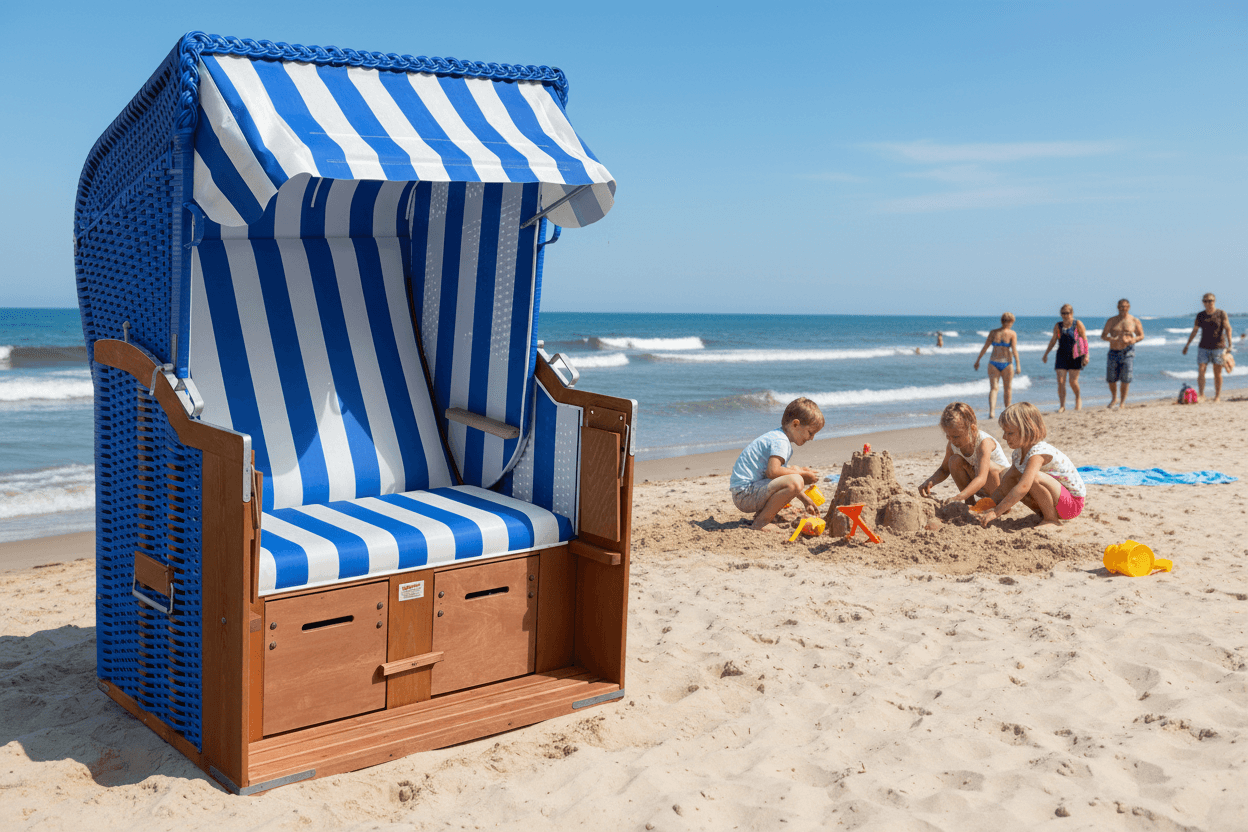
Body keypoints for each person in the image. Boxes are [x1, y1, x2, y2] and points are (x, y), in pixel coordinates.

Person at [979, 402, 1086, 529]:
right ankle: (1047, 515)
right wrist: (988, 506)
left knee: (1031, 479)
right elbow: (1006, 483)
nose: (1004, 437)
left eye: (1010, 433)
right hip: (1056, 501)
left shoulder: (1038, 453)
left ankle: (1051, 520)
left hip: (1071, 505)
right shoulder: (1018, 453)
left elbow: (1024, 487)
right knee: (1010, 477)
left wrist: (996, 513)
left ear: (1028, 431)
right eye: (1004, 432)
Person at [729, 397, 824, 531]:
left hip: (745, 492)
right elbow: (773, 472)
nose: (812, 438)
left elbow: (779, 477)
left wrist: (805, 500)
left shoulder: (778, 436)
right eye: (810, 432)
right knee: (796, 478)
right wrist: (801, 474)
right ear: (795, 424)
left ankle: (761, 515)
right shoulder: (781, 441)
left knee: (793, 472)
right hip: (745, 495)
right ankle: (761, 522)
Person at [918, 402, 1009, 505]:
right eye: (948, 436)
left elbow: (981, 478)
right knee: (954, 460)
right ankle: (969, 501)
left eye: (956, 437)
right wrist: (930, 482)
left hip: (1003, 487)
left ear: (972, 429)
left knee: (989, 468)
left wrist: (959, 497)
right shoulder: (952, 445)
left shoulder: (984, 443)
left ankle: (1000, 503)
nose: (952, 440)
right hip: (980, 487)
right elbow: (944, 469)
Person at [1182, 293, 1233, 402]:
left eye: (1210, 301)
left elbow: (1228, 328)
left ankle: (1217, 396)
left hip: (1219, 347)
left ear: (1214, 301)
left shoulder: (1221, 313)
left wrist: (1230, 344)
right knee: (1201, 370)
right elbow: (1195, 330)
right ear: (1203, 302)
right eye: (1205, 301)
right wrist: (1187, 345)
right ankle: (1201, 395)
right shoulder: (1200, 315)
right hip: (1203, 347)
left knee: (1217, 372)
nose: (1208, 303)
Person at [1041, 304, 1088, 412]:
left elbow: (1084, 339)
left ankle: (1078, 398)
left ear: (1072, 313)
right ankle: (1062, 406)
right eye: (1063, 313)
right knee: (1061, 381)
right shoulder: (1058, 326)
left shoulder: (1077, 324)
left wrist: (1086, 355)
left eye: (1067, 313)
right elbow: (1053, 340)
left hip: (1075, 355)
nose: (1065, 315)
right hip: (1061, 355)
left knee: (1072, 381)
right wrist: (1046, 354)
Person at [973, 313, 1020, 418]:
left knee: (995, 388)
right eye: (1011, 322)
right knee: (1007, 388)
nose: (1012, 324)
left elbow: (985, 347)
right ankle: (1004, 412)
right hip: (1005, 363)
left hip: (995, 362)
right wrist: (1018, 364)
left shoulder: (994, 332)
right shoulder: (1011, 333)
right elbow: (1014, 350)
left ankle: (993, 412)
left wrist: (978, 360)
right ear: (1009, 321)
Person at [1100, 298, 1144, 410]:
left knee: (1125, 378)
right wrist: (1111, 339)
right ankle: (1114, 398)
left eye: (1125, 306)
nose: (1123, 308)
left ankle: (1122, 402)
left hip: (1127, 351)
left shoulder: (1134, 320)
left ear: (1128, 307)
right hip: (1113, 351)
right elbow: (1103, 335)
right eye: (1120, 306)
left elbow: (1141, 335)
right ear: (1117, 307)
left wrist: (1133, 340)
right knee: (1111, 378)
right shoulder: (1111, 320)